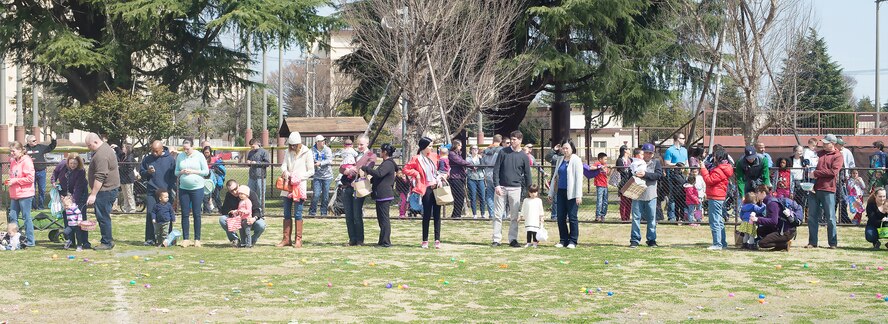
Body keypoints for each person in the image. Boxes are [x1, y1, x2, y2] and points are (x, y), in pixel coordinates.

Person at [403, 137, 447, 249]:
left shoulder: (435, 157)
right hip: (425, 189)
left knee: (437, 214)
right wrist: (416, 173)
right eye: (430, 146)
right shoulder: (417, 158)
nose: (431, 148)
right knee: (426, 214)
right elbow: (406, 169)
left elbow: (444, 168)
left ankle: (437, 240)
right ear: (424, 147)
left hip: (436, 187)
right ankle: (425, 240)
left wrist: (442, 176)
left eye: (432, 146)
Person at [492, 130, 532, 248]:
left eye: (514, 139)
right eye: (511, 139)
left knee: (514, 216)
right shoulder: (503, 152)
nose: (512, 141)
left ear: (520, 140)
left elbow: (527, 175)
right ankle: (496, 239)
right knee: (498, 215)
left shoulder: (524, 156)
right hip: (502, 187)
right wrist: (497, 185)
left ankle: (513, 239)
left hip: (516, 188)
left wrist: (530, 191)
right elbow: (496, 169)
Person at [278, 132, 315, 248]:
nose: (292, 147)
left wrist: (299, 177)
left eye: (294, 145)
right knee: (286, 212)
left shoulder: (307, 152)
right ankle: (286, 239)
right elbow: (283, 165)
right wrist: (286, 172)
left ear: (299, 144)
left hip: (299, 186)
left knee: (298, 213)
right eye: (291, 145)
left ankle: (298, 240)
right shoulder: (287, 151)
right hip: (287, 185)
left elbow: (311, 171)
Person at [806, 134, 843, 249]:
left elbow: (833, 172)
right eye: (823, 143)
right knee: (812, 216)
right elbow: (812, 166)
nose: (824, 145)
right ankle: (812, 242)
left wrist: (816, 173)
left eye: (826, 143)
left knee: (830, 217)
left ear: (833, 143)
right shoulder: (818, 154)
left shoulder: (838, 156)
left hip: (828, 189)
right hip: (814, 188)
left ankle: (832, 243)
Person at [85, 133, 120, 250]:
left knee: (103, 216)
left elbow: (101, 176)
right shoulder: (105, 148)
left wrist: (93, 194)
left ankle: (107, 242)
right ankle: (107, 240)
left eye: (89, 145)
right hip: (108, 189)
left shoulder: (102, 155)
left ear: (95, 142)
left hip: (105, 190)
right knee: (103, 215)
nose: (88, 148)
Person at [339, 135, 375, 246]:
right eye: (358, 144)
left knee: (356, 214)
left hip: (359, 187)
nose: (359, 146)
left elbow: (369, 168)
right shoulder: (352, 153)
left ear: (367, 144)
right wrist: (346, 170)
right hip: (347, 186)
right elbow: (341, 167)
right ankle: (352, 239)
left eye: (361, 144)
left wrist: (356, 169)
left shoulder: (371, 155)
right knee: (348, 215)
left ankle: (360, 239)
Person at [139, 140, 177, 246]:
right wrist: (147, 172)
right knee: (150, 213)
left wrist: (168, 188)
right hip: (152, 191)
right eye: (152, 151)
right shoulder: (147, 159)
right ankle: (150, 238)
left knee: (166, 214)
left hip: (165, 191)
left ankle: (168, 239)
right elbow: (141, 173)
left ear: (162, 149)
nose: (154, 153)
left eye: (156, 151)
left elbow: (173, 176)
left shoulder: (169, 159)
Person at [547, 139, 583, 248]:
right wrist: (551, 192)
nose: (565, 150)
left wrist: (578, 195)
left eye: (567, 148)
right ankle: (563, 240)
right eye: (563, 148)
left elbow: (578, 179)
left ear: (572, 149)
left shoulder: (576, 160)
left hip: (571, 193)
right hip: (560, 192)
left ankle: (573, 240)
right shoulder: (560, 159)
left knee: (572, 217)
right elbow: (555, 176)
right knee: (560, 217)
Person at [174, 140, 210, 248]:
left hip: (197, 188)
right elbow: (175, 172)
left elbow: (206, 171)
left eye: (187, 148)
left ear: (192, 147)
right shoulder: (180, 156)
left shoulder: (199, 156)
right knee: (185, 214)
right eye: (184, 148)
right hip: (184, 188)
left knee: (196, 214)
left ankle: (197, 239)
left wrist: (193, 172)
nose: (186, 150)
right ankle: (186, 239)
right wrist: (181, 172)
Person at [362, 143, 398, 247]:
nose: (380, 152)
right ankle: (382, 241)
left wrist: (366, 169)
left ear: (385, 152)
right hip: (381, 194)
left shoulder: (388, 163)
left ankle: (386, 242)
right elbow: (379, 176)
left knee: (384, 219)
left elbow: (379, 174)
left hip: (384, 194)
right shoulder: (387, 163)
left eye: (381, 150)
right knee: (381, 219)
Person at [629, 144, 663, 248]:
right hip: (637, 193)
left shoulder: (656, 163)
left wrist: (645, 174)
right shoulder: (636, 162)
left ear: (653, 154)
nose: (648, 155)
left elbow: (658, 175)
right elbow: (629, 175)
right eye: (646, 152)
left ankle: (651, 239)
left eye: (650, 153)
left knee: (652, 218)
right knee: (636, 217)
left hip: (651, 194)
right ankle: (635, 239)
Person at [700, 148, 733, 250]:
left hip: (715, 196)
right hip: (719, 196)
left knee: (714, 220)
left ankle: (717, 243)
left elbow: (709, 180)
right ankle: (722, 242)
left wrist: (703, 169)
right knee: (719, 220)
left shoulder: (719, 170)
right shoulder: (725, 168)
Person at [219, 180, 266, 247]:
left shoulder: (250, 194)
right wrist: (232, 213)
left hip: (249, 219)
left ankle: (251, 240)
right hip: (237, 220)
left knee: (261, 224)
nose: (234, 192)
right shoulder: (229, 195)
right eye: (231, 191)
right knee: (222, 219)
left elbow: (257, 210)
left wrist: (254, 219)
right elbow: (225, 210)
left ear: (238, 185)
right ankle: (235, 240)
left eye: (235, 189)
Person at [7, 141, 36, 247]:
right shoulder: (13, 161)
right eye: (10, 151)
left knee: (26, 217)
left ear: (20, 150)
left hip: (25, 194)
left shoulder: (27, 161)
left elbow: (30, 178)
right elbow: (13, 175)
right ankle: (15, 238)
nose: (12, 153)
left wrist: (15, 181)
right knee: (12, 217)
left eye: (13, 151)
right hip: (14, 194)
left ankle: (30, 241)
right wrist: (10, 181)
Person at [24, 134, 57, 210]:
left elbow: (51, 147)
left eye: (36, 140)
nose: (36, 141)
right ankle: (34, 206)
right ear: (29, 142)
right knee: (32, 190)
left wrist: (54, 140)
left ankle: (41, 206)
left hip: (41, 171)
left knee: (42, 190)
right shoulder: (25, 149)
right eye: (33, 140)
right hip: (30, 173)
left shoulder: (40, 147)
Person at [663, 133, 688, 221]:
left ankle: (682, 216)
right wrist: (677, 165)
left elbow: (686, 163)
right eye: (682, 138)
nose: (684, 140)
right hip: (673, 176)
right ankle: (672, 216)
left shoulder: (684, 150)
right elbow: (666, 163)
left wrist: (686, 170)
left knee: (682, 196)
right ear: (677, 139)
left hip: (683, 176)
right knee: (672, 197)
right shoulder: (670, 150)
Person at [309, 135, 334, 217]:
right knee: (316, 194)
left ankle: (324, 213)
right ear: (317, 142)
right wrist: (313, 164)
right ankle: (312, 212)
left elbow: (329, 160)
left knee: (325, 195)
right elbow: (309, 160)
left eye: (324, 140)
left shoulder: (327, 149)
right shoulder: (312, 150)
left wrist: (320, 163)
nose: (323, 142)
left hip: (327, 176)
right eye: (321, 141)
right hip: (317, 176)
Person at [448, 140, 472, 218]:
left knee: (461, 196)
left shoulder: (458, 154)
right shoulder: (451, 154)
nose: (461, 147)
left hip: (460, 176)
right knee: (459, 195)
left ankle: (456, 214)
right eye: (460, 146)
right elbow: (460, 161)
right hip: (455, 177)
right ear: (456, 145)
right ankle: (456, 214)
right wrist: (471, 165)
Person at [482, 135, 504, 220]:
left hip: (487, 172)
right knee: (500, 194)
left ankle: (491, 213)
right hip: (497, 173)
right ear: (501, 140)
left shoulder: (486, 150)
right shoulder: (501, 150)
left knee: (490, 194)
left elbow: (483, 163)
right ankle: (501, 213)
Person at [246, 139, 270, 208]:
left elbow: (267, 163)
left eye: (253, 146)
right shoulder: (251, 152)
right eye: (251, 147)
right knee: (250, 193)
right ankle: (252, 209)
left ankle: (261, 210)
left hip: (261, 177)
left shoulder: (264, 152)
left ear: (258, 144)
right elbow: (249, 161)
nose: (252, 148)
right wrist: (248, 162)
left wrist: (257, 163)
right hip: (252, 176)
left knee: (261, 194)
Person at [836, 138, 856, 224]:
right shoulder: (833, 152)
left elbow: (852, 165)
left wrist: (850, 177)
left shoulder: (847, 152)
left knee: (844, 199)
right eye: (841, 144)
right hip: (834, 179)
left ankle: (843, 217)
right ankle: (831, 217)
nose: (842, 146)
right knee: (836, 200)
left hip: (844, 179)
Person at [114, 143, 136, 213]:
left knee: (129, 195)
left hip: (128, 179)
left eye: (124, 147)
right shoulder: (124, 156)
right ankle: (126, 208)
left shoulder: (130, 157)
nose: (122, 148)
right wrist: (116, 147)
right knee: (125, 195)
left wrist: (120, 167)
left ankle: (132, 209)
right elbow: (119, 153)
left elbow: (129, 168)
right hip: (123, 179)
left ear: (127, 149)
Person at [466, 145, 486, 219]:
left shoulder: (480, 158)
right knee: (473, 197)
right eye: (474, 149)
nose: (475, 150)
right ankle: (474, 214)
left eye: (476, 149)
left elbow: (483, 166)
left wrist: (481, 160)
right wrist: (472, 168)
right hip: (471, 178)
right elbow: (466, 166)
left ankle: (483, 213)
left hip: (480, 178)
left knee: (482, 197)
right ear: (471, 150)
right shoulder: (468, 158)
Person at [615, 145, 632, 222]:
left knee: (629, 201)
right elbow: (621, 171)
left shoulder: (630, 160)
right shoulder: (620, 160)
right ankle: (623, 217)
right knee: (623, 201)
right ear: (625, 150)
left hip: (630, 182)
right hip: (623, 182)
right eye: (628, 149)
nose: (629, 150)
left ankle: (628, 217)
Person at [592, 152, 609, 222]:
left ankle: (603, 215)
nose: (606, 161)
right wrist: (599, 167)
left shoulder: (605, 165)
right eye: (605, 159)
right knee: (599, 201)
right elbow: (591, 168)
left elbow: (608, 174)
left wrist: (610, 169)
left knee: (605, 201)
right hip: (599, 185)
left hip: (605, 185)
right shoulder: (597, 164)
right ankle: (598, 215)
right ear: (600, 159)